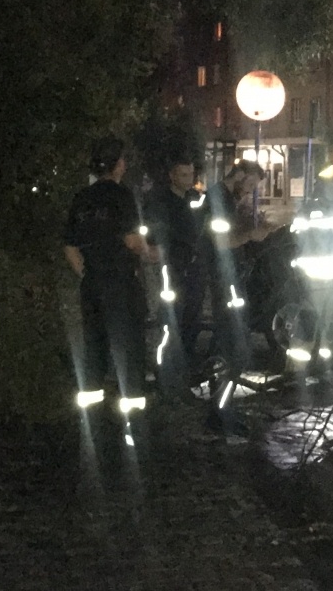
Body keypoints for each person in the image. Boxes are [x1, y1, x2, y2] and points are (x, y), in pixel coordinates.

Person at [63, 136, 156, 411]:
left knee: (94, 346)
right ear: (117, 164)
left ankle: (93, 411)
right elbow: (132, 240)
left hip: (92, 285)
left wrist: (87, 273)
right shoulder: (121, 196)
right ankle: (133, 413)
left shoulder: (82, 198)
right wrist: (153, 253)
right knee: (129, 347)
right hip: (121, 284)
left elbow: (70, 246)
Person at [144, 153, 207, 391]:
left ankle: (184, 376)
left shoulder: (195, 198)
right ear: (172, 176)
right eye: (183, 174)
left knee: (192, 321)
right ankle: (166, 378)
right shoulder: (161, 202)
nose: (188, 179)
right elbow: (156, 235)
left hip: (194, 268)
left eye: (191, 174)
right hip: (172, 270)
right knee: (171, 323)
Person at [202, 161, 272, 370]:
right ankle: (223, 364)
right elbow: (221, 241)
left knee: (231, 317)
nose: (250, 191)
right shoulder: (219, 200)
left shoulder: (227, 199)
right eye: (250, 184)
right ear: (239, 175)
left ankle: (224, 362)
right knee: (228, 318)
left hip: (228, 269)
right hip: (222, 270)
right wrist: (250, 235)